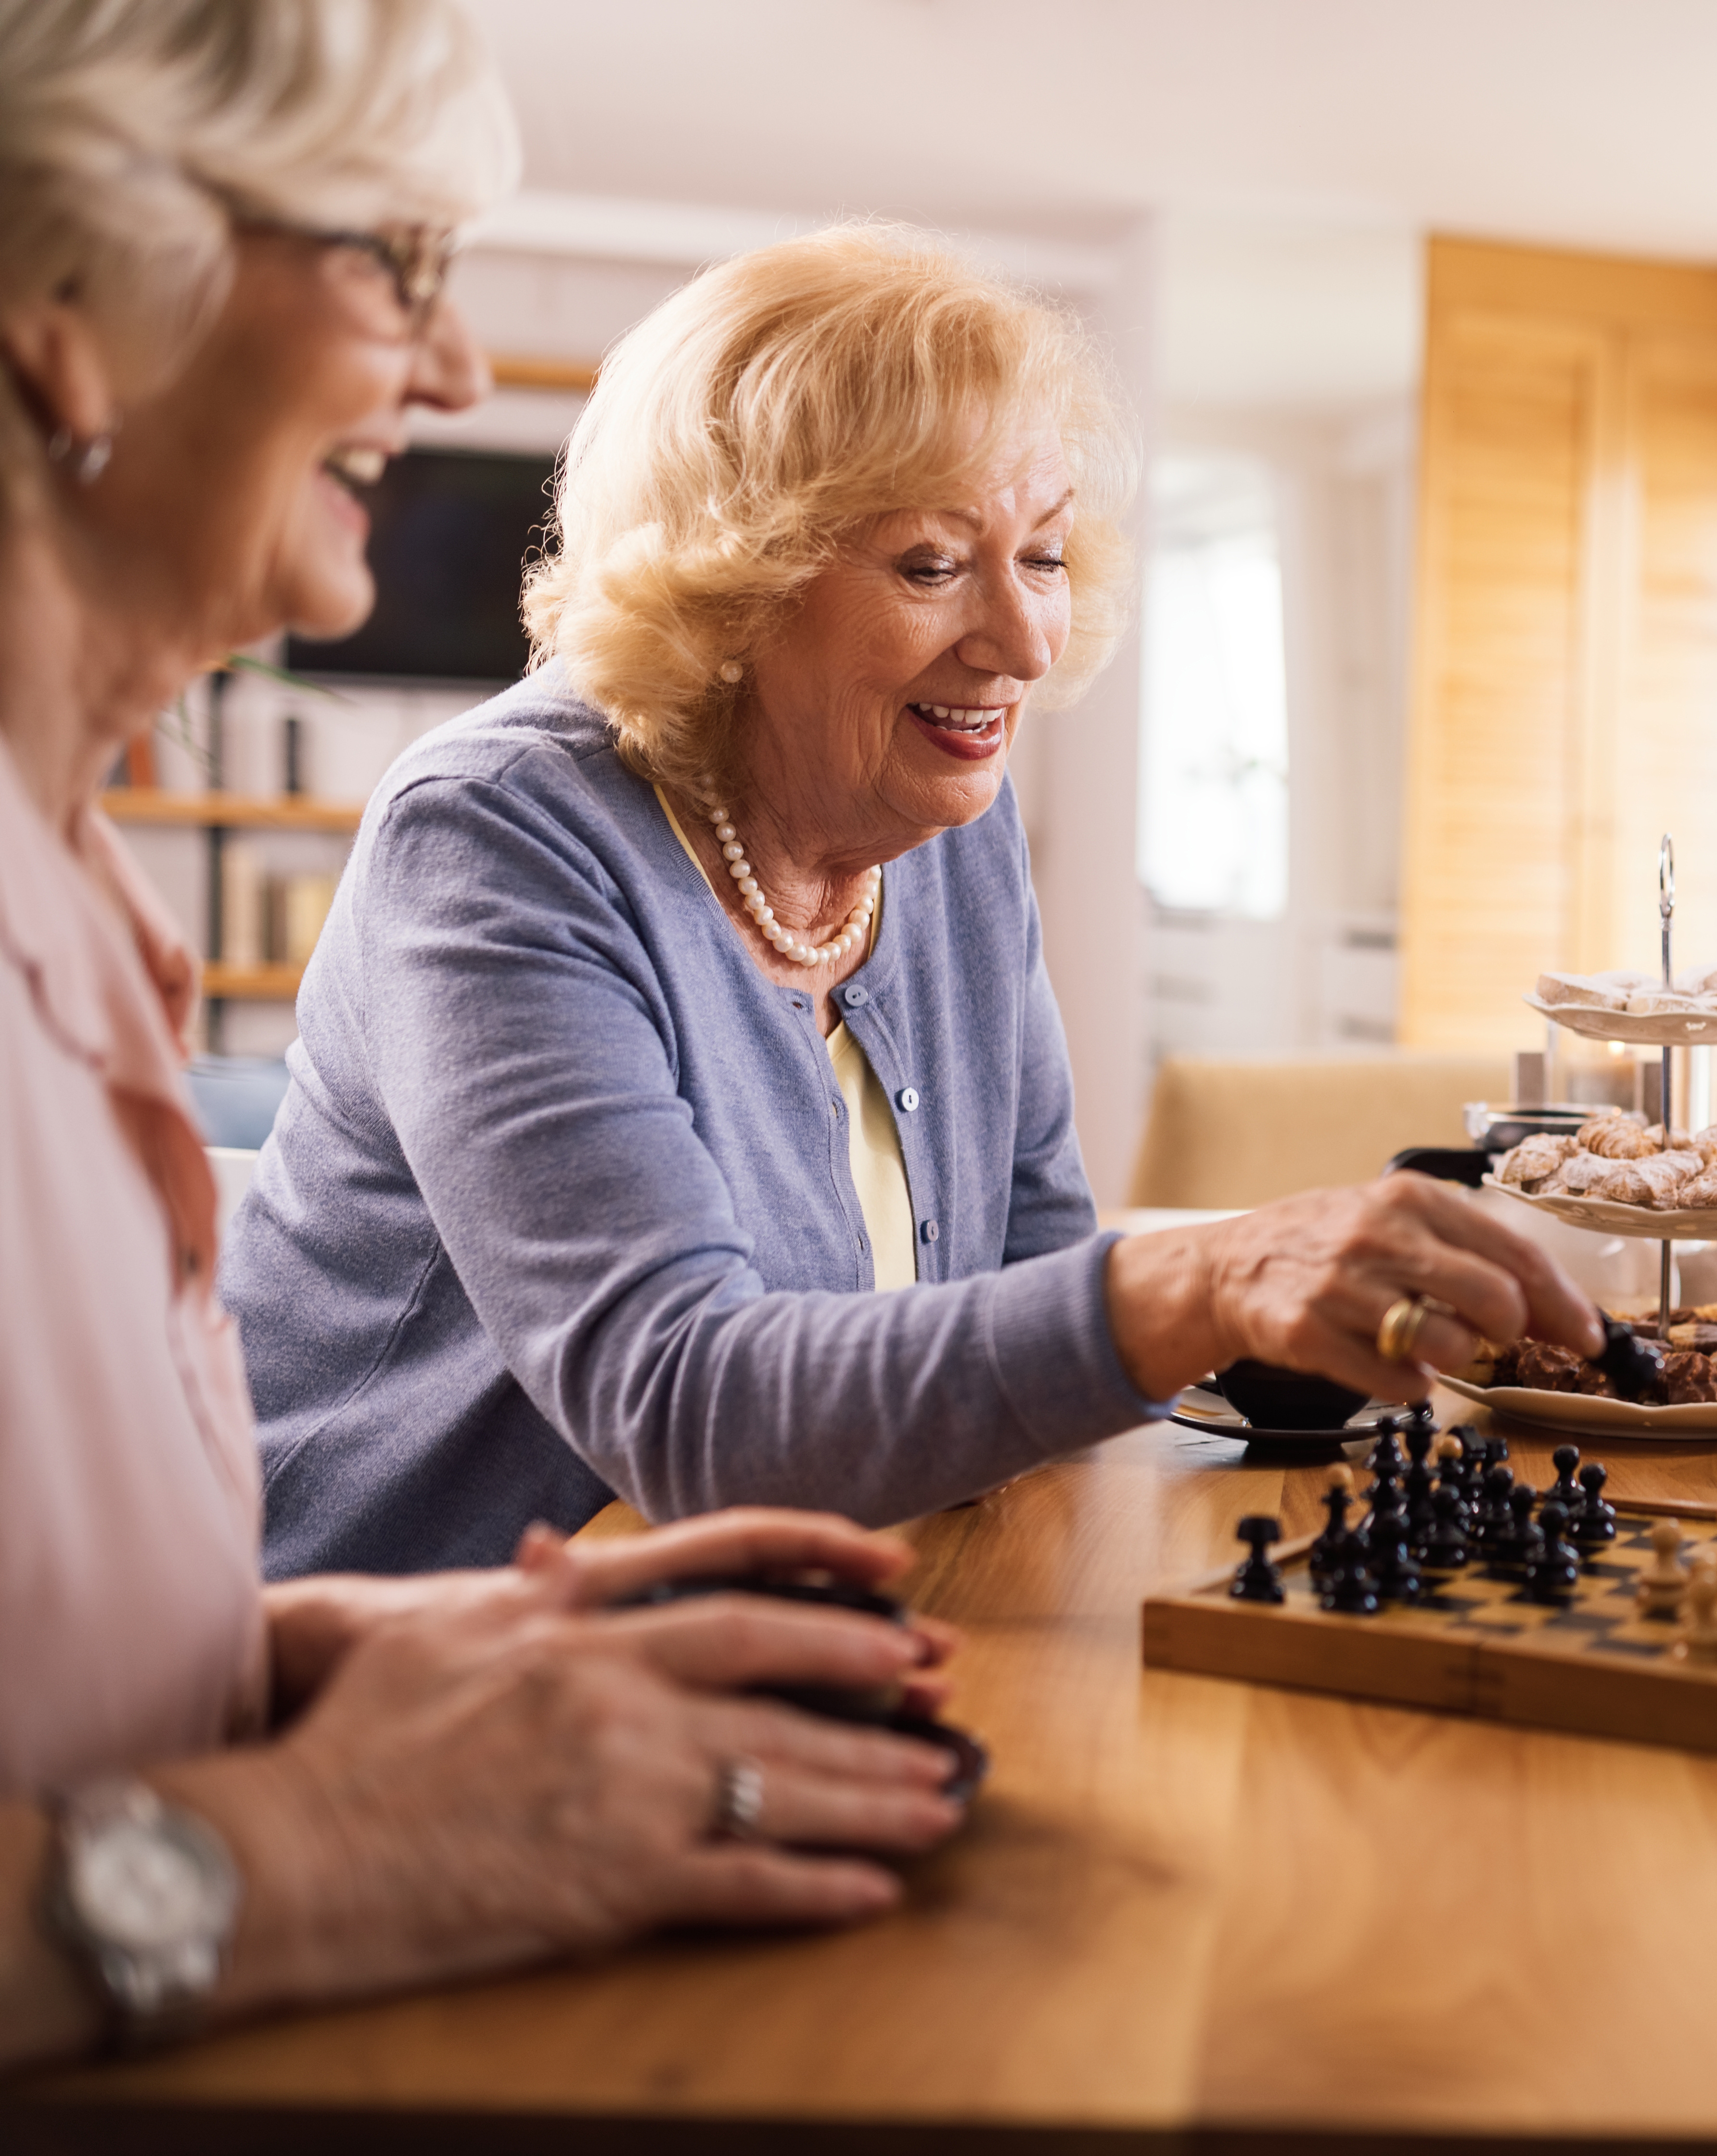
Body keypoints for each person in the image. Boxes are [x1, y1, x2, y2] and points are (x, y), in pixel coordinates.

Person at [0, 0, 986, 2070]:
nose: (457, 371)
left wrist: (335, 1651)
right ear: (68, 311)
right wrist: (324, 1844)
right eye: (393, 261)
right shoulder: (491, 825)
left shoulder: (77, 901)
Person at [231, 222, 1598, 1577]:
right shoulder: (498, 835)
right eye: (933, 565)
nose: (1024, 643)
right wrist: (1204, 1280)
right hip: (387, 1648)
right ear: (734, 587)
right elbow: (685, 1405)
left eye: (1044, 555)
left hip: (800, 1603)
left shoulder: (951, 829)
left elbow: (1030, 1274)